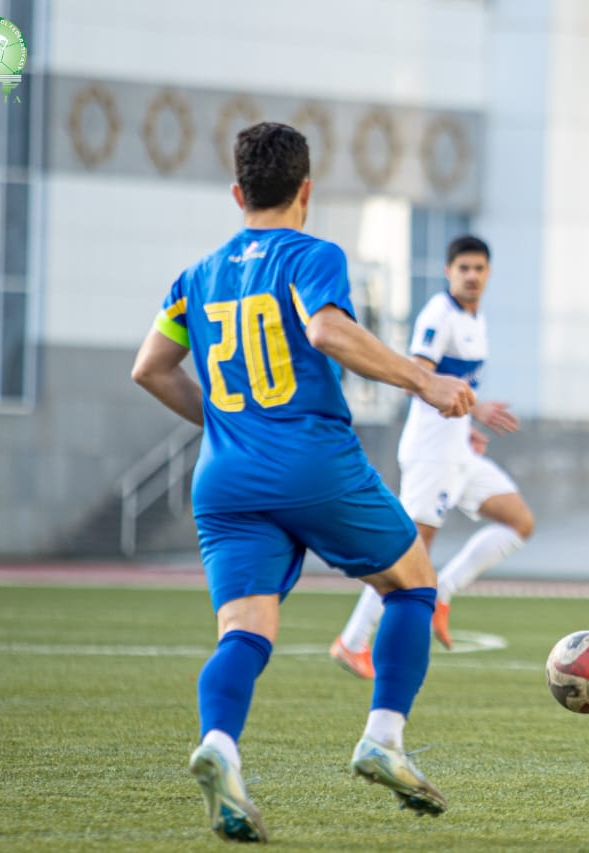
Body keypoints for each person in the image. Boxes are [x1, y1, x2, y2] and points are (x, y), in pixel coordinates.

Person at [131, 121, 475, 842]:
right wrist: (425, 381)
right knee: (413, 584)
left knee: (244, 631)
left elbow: (150, 369)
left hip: (224, 480)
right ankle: (383, 737)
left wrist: (226, 421)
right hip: (311, 463)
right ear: (306, 191)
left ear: (238, 193)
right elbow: (325, 331)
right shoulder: (311, 253)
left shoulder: (196, 276)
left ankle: (219, 746)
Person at [330, 235, 534, 679]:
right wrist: (475, 409)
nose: (471, 276)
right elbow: (414, 378)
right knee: (409, 549)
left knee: (519, 521)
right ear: (448, 271)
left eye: (479, 268)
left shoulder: (475, 319)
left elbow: (452, 389)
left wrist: (466, 425)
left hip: (457, 449)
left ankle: (443, 592)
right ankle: (353, 640)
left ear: (489, 273)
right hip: (430, 454)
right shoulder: (438, 316)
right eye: (463, 268)